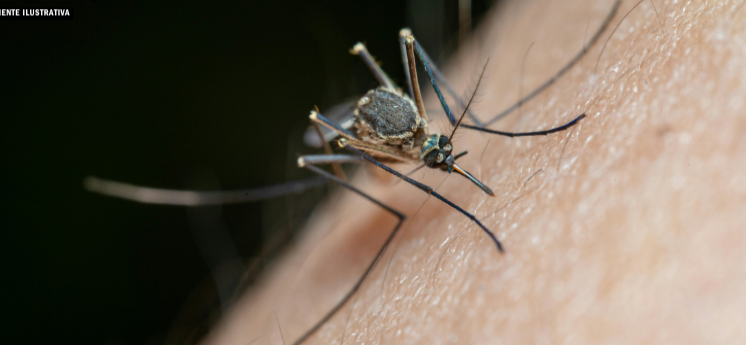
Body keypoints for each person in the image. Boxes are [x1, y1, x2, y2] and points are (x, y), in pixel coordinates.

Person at [204, 0, 746, 343]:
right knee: (332, 145)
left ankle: (493, 126)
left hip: (397, 118)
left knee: (407, 44)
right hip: (368, 136)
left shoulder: (426, 128)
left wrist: (486, 128)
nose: (443, 158)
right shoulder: (395, 146)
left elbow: (428, 105)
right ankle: (399, 204)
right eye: (439, 155)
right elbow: (359, 145)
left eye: (441, 150)